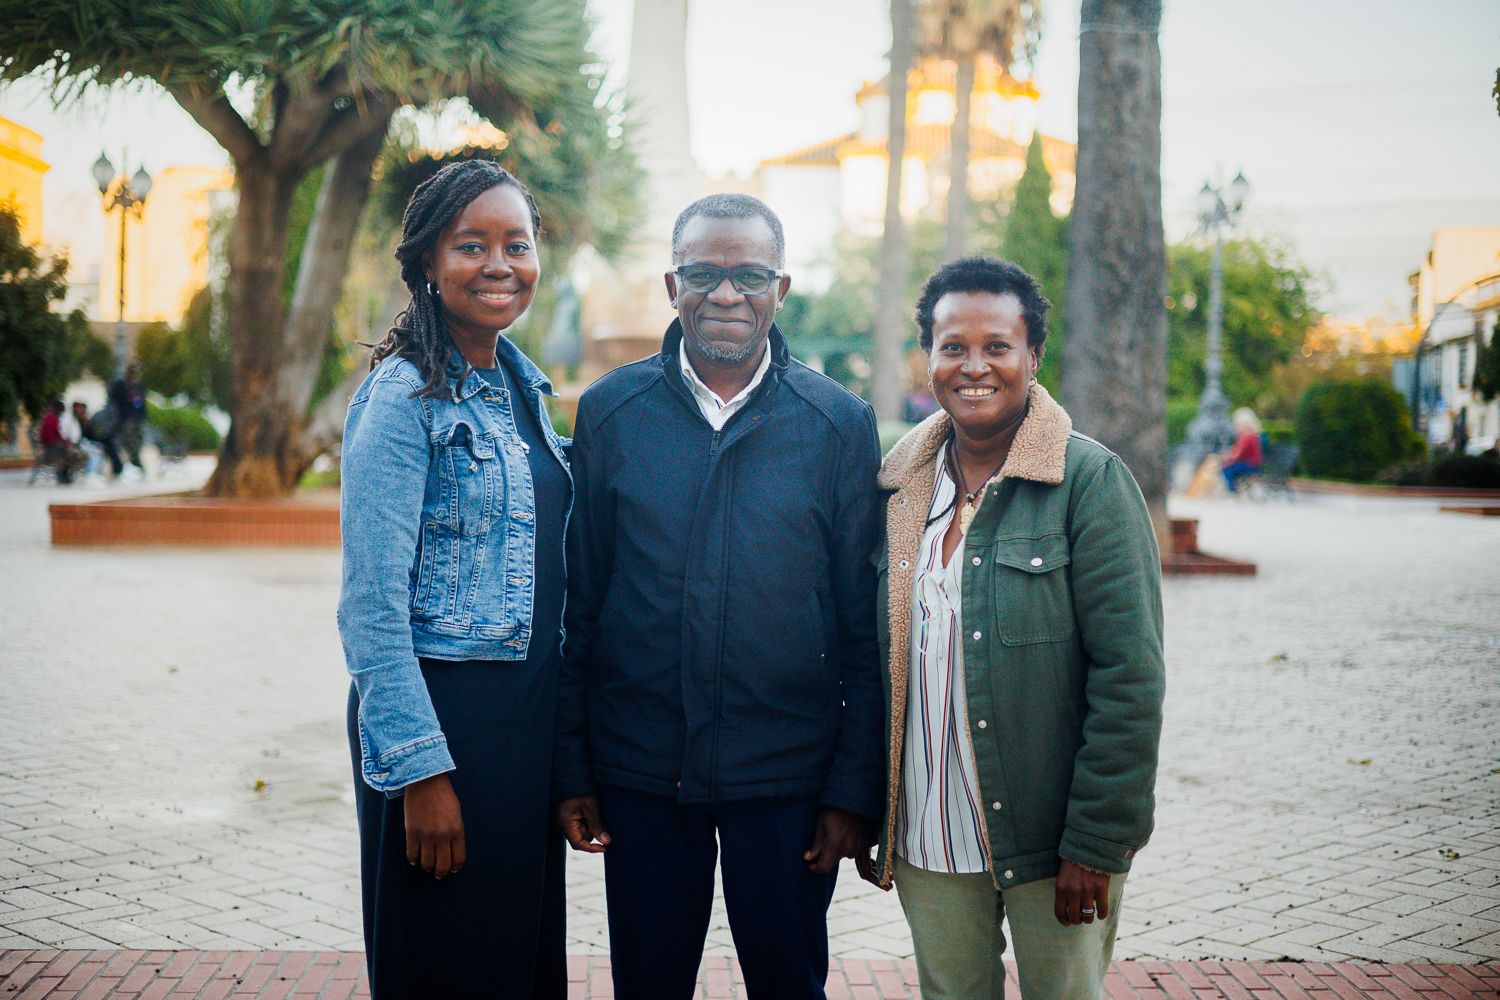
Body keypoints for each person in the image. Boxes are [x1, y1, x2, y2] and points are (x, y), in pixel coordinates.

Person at [553, 193, 883, 1000]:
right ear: (672, 285)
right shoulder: (610, 412)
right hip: (641, 774)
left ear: (782, 288)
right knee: (649, 983)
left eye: (748, 276)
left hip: (788, 781)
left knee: (789, 984)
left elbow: (863, 626)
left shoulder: (838, 423)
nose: (726, 294)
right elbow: (580, 603)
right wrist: (574, 768)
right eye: (704, 273)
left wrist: (851, 789)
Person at [858, 256, 1164, 1000]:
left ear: (1033, 356)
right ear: (926, 357)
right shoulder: (898, 489)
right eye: (952, 346)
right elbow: (874, 662)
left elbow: (1130, 679)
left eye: (997, 346)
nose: (974, 367)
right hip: (929, 832)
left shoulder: (1087, 483)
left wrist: (1097, 842)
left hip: (1048, 838)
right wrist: (872, 807)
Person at [337, 160, 569, 999]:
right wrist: (419, 771)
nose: (499, 264)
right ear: (430, 265)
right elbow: (370, 606)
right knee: (444, 969)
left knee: (515, 966)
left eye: (518, 243)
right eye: (471, 245)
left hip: (524, 729)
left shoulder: (520, 387)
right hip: (446, 729)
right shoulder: (403, 397)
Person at [107, 362, 148, 479]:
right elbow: (113, 400)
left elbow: (141, 403)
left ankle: (136, 463)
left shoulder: (139, 386)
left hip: (137, 419)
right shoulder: (120, 385)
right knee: (125, 442)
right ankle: (124, 466)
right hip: (124, 420)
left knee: (136, 442)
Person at [37, 399, 83, 484]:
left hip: (55, 446)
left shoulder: (54, 419)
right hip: (50, 448)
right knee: (64, 451)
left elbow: (60, 435)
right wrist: (65, 443)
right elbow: (50, 439)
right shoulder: (50, 420)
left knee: (70, 452)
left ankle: (65, 474)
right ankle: (62, 475)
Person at [1219, 406, 1263, 493]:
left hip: (1250, 465)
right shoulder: (1252, 435)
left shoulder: (1247, 436)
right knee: (1228, 466)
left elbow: (1238, 454)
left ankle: (1232, 491)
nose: (1236, 427)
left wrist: (1226, 457)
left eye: (1238, 424)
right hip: (1253, 464)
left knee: (1226, 469)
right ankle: (1236, 488)